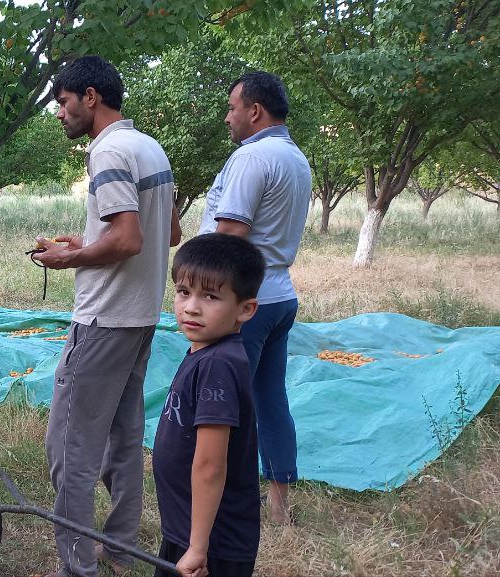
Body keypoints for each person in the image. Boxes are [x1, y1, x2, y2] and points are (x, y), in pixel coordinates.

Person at [32, 55, 181, 577]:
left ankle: (77, 567)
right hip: (141, 318)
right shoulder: (149, 146)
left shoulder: (109, 152)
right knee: (121, 437)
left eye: (64, 102)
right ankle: (117, 547)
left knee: (68, 449)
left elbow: (129, 238)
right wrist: (89, 242)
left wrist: (69, 256)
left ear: (90, 97)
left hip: (103, 321)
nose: (60, 113)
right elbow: (168, 234)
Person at [198, 70, 311, 524]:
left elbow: (231, 237)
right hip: (281, 293)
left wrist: (208, 300)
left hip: (246, 301)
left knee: (222, 406)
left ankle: (226, 502)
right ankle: (279, 503)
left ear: (254, 111)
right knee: (270, 398)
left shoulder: (252, 158)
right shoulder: (296, 157)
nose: (228, 117)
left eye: (231, 107)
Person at [154, 233, 266, 577]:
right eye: (183, 292)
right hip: (189, 531)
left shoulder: (218, 365)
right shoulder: (206, 352)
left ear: (245, 309)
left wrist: (197, 548)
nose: (191, 307)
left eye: (210, 296)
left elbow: (210, 465)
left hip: (210, 545)